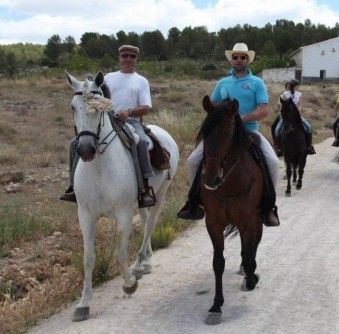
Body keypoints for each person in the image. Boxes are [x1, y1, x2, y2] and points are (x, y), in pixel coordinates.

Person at [177, 43, 280, 226]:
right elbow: (214, 107)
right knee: (193, 161)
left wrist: (241, 118)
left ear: (247, 60)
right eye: (235, 57)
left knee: (272, 162)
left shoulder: (257, 83)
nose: (239, 60)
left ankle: (268, 206)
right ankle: (196, 202)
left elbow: (263, 111)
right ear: (232, 60)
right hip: (224, 133)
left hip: (249, 132)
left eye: (242, 57)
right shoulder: (222, 83)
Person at [60, 44, 156, 208]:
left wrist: (129, 112)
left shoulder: (141, 81)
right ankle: (73, 187)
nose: (128, 59)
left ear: (136, 59)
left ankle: (145, 188)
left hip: (131, 121)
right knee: (74, 143)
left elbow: (146, 107)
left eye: (132, 56)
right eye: (124, 56)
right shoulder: (108, 78)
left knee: (141, 142)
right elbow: (94, 99)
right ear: (119, 58)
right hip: (106, 119)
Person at [273, 79, 316, 156]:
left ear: (295, 86)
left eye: (293, 86)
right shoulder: (284, 95)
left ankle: (309, 147)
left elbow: (300, 104)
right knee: (277, 130)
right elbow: (283, 105)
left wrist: (298, 110)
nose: (292, 87)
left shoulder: (299, 94)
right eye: (291, 86)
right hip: (287, 117)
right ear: (289, 86)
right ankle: (279, 148)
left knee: (309, 127)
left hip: (297, 116)